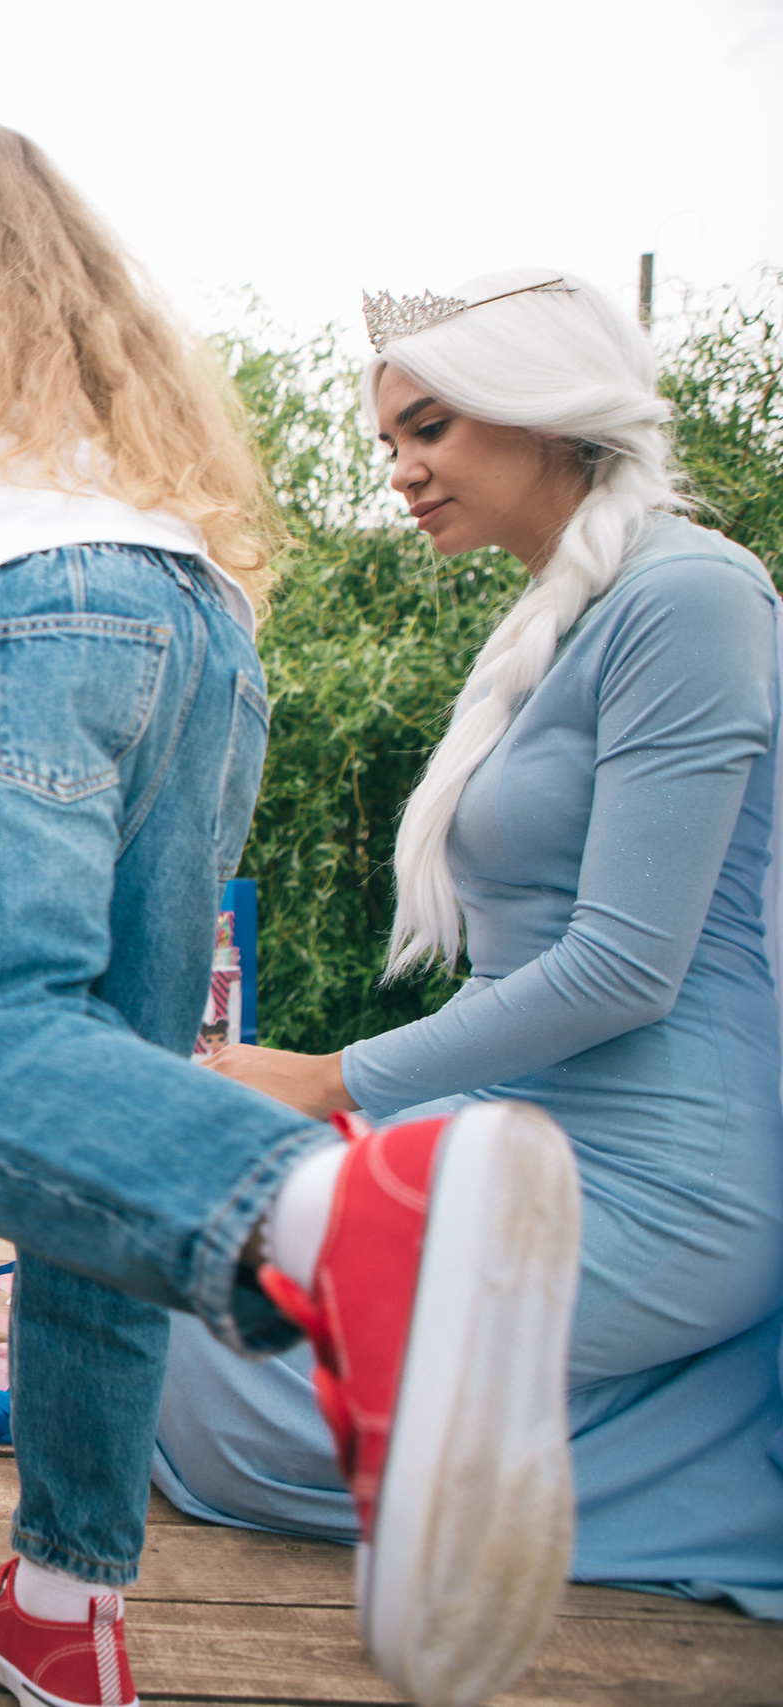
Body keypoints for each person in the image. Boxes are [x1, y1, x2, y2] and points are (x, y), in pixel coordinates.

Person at [0, 118, 584, 1707]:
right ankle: (62, 1593)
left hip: (22, 631)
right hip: (205, 654)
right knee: (108, 1119)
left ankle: (358, 1217)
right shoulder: (96, 353)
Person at [157, 269, 783, 1620]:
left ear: (546, 406)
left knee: (194, 1358)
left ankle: (659, 1491)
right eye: (391, 439)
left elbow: (623, 970)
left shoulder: (691, 597)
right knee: (169, 1228)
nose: (400, 470)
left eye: (429, 428)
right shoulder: (567, 613)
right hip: (514, 1131)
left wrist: (330, 1080)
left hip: (655, 1177)